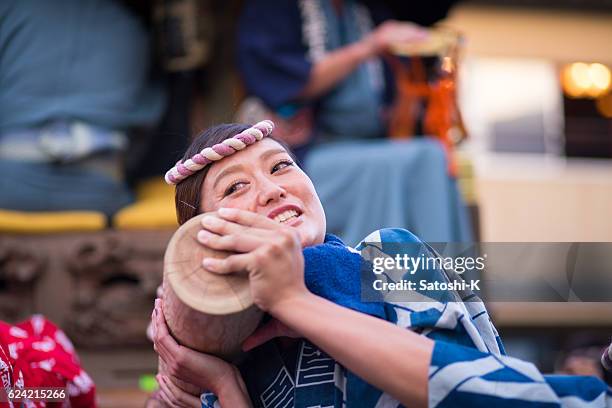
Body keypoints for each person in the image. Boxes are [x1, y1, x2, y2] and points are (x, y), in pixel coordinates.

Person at [151, 121, 609, 407]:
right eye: (234, 188)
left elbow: (464, 392)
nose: (272, 189)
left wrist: (293, 297)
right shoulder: (234, 347)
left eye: (281, 166)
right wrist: (225, 386)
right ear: (202, 239)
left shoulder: (388, 254)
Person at [235, 0, 471, 246]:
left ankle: (441, 274)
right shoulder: (273, 8)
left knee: (433, 154)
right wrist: (369, 46)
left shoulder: (368, 10)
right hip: (307, 158)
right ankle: (402, 272)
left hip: (372, 146)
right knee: (420, 158)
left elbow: (391, 100)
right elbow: (288, 84)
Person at [0, 0, 165, 216]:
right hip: (99, 195)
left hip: (8, 187)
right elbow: (147, 116)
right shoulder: (129, 26)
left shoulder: (10, 9)